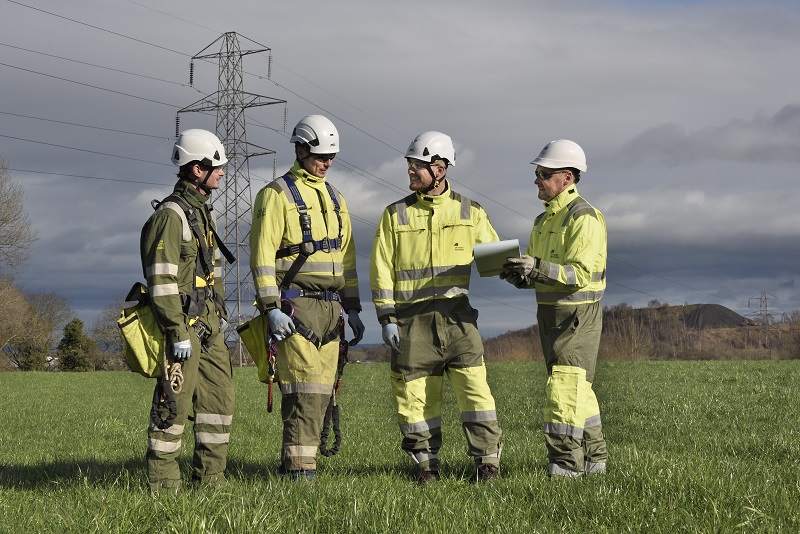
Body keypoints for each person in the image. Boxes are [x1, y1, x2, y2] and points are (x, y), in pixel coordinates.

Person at [370, 131, 503, 483]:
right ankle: (425, 468)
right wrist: (386, 316)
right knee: (416, 398)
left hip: (458, 318)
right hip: (411, 322)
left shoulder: (470, 212)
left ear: (440, 168)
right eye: (410, 165)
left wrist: (520, 267)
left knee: (477, 393)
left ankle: (487, 463)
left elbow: (495, 259)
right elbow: (381, 269)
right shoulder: (394, 214)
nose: (411, 172)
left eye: (418, 166)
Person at [250, 114, 365, 480]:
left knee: (321, 390)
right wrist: (271, 308)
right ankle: (300, 469)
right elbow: (262, 256)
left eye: (331, 156)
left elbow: (348, 259)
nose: (326, 162)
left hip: (332, 309)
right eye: (320, 155)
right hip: (295, 306)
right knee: (303, 390)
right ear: (299, 149)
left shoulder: (336, 198)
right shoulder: (275, 195)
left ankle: (298, 464)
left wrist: (354, 307)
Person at [501, 139, 608, 478]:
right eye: (536, 173)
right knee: (580, 393)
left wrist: (537, 268)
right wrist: (518, 275)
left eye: (543, 174)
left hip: (578, 319)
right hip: (550, 318)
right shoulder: (542, 220)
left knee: (563, 391)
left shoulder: (584, 217)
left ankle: (565, 469)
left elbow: (580, 274)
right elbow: (541, 274)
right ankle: (594, 463)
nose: (536, 180)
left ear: (566, 177)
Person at [140, 129, 234, 492]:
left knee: (218, 404)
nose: (223, 173)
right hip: (183, 329)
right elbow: (160, 281)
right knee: (172, 409)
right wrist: (177, 331)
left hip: (209, 327)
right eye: (218, 167)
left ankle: (211, 482)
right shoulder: (171, 215)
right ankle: (164, 488)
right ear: (197, 169)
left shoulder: (201, 212)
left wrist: (220, 316)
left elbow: (212, 272)